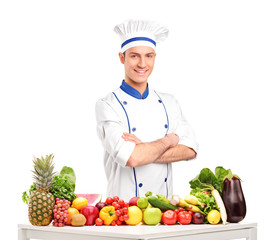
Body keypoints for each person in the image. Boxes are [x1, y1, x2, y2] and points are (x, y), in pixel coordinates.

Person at [95, 19, 199, 201]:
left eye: (148, 56)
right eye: (134, 56)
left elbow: (190, 150)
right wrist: (169, 140)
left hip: (165, 212)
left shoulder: (169, 102)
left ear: (154, 58)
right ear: (122, 58)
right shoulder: (108, 104)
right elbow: (132, 158)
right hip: (122, 212)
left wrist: (143, 148)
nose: (142, 64)